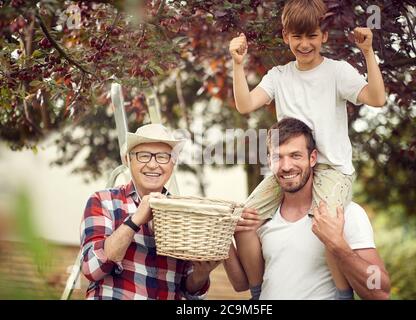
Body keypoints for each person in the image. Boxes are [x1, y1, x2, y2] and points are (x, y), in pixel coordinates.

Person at [228, 0, 386, 299]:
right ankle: (258, 292)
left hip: (330, 169)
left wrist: (368, 52)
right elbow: (245, 104)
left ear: (323, 36)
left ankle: (341, 294)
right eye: (297, 37)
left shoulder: (337, 72)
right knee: (244, 220)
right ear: (286, 36)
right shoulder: (279, 76)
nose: (304, 44)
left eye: (312, 35)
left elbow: (377, 99)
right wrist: (237, 64)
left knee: (326, 224)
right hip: (290, 165)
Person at [80, 123, 259, 299]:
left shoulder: (183, 215)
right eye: (143, 156)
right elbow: (91, 269)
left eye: (163, 157)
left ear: (173, 163)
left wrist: (200, 274)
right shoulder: (103, 201)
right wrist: (134, 221)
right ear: (128, 159)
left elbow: (189, 292)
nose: (152, 164)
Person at [224, 118, 390, 299]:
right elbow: (240, 284)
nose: (286, 166)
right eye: (278, 157)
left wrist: (338, 245)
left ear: (312, 158)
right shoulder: (260, 218)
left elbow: (380, 292)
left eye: (295, 156)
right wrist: (220, 237)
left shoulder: (345, 214)